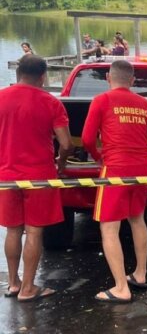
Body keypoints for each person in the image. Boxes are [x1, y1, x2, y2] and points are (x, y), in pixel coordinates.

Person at [81, 60, 147, 303]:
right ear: (133, 80)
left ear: (109, 78)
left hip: (115, 168)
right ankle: (140, 274)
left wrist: (100, 158)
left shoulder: (102, 100)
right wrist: (142, 157)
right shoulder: (145, 104)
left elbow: (87, 139)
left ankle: (121, 288)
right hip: (142, 169)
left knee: (109, 226)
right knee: (137, 218)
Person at [0, 55, 73, 302]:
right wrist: (61, 163)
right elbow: (65, 143)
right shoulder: (50, 103)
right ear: (43, 77)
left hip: (7, 176)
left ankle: (13, 283)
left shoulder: (1, 98)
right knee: (34, 232)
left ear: (18, 73)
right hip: (39, 176)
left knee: (12, 230)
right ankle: (28, 288)